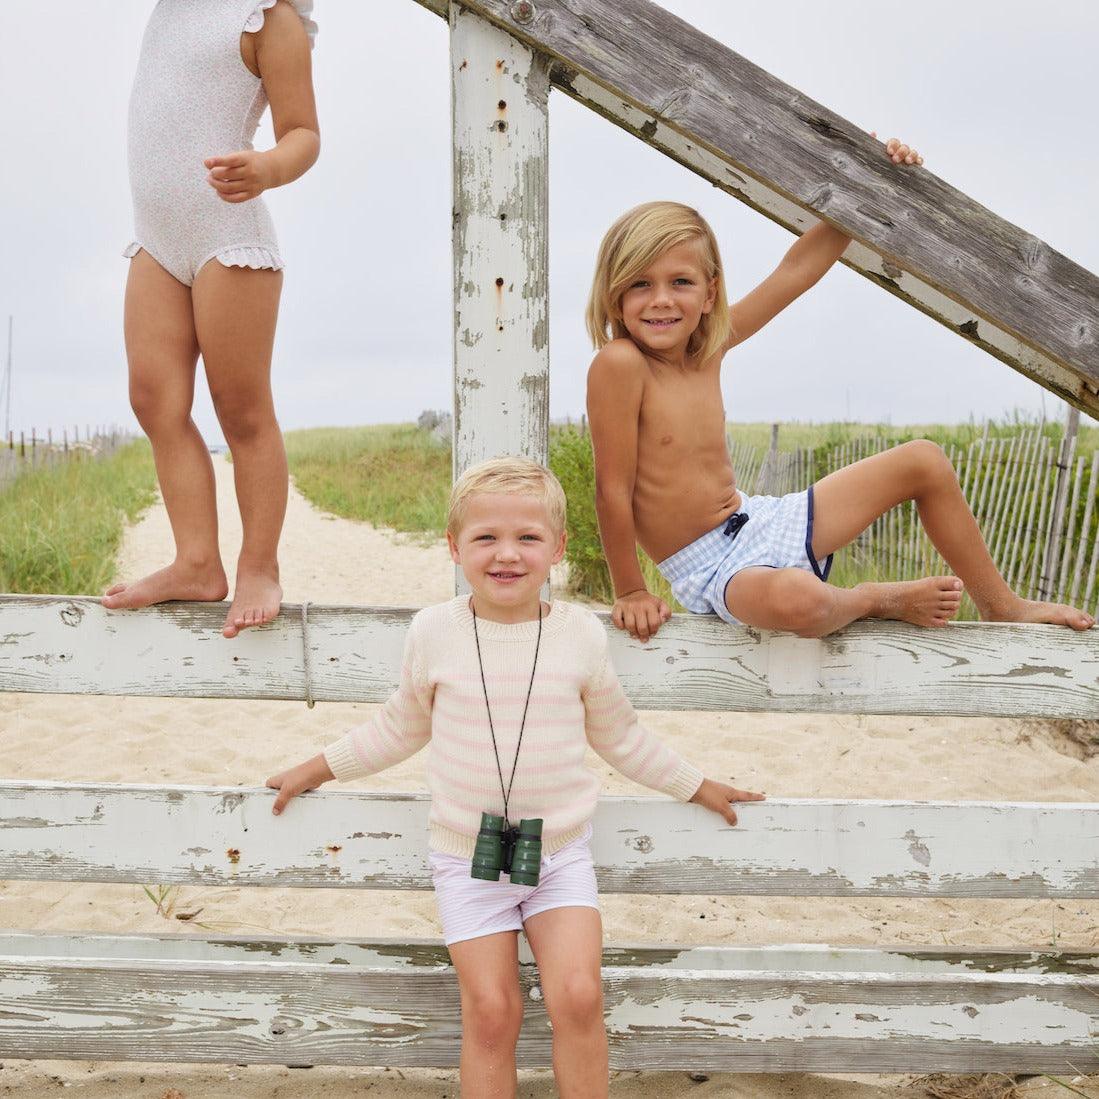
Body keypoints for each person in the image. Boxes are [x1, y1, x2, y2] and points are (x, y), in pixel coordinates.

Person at [266, 457, 764, 1098]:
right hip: (465, 858)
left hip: (557, 856)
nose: (507, 555)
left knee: (580, 996)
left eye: (528, 538)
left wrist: (697, 784)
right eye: (485, 538)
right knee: (494, 1010)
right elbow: (398, 727)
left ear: (557, 548)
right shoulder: (435, 631)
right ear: (454, 547)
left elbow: (619, 735)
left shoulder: (579, 634)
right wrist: (312, 770)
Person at [585, 138, 1095, 643]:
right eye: (639, 284)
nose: (661, 302)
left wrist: (868, 178)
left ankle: (1000, 605)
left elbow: (796, 270)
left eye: (680, 283)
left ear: (709, 291)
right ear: (614, 292)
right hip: (713, 567)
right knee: (797, 601)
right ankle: (876, 599)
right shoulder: (621, 364)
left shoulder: (709, 348)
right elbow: (613, 488)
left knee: (924, 461)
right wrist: (630, 589)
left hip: (759, 519)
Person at [103, 0, 320, 638]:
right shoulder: (168, 11)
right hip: (157, 239)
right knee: (153, 399)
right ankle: (197, 561)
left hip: (228, 236)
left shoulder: (269, 19)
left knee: (241, 407)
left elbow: (304, 133)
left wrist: (267, 168)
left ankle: (259, 564)